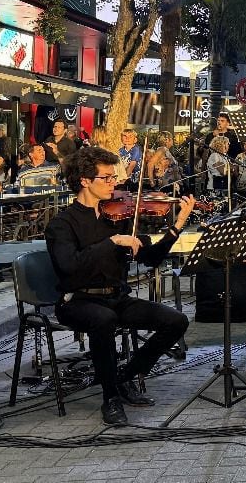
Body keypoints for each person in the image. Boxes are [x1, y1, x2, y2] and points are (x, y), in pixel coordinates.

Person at [45, 147, 195, 425]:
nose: (114, 184)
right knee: (104, 319)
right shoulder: (61, 224)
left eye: (114, 178)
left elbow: (151, 258)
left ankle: (124, 378)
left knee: (176, 321)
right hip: (77, 301)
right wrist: (111, 243)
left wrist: (178, 224)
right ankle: (110, 398)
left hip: (116, 298)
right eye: (107, 178)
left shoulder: (118, 217)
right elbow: (69, 266)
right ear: (85, 181)